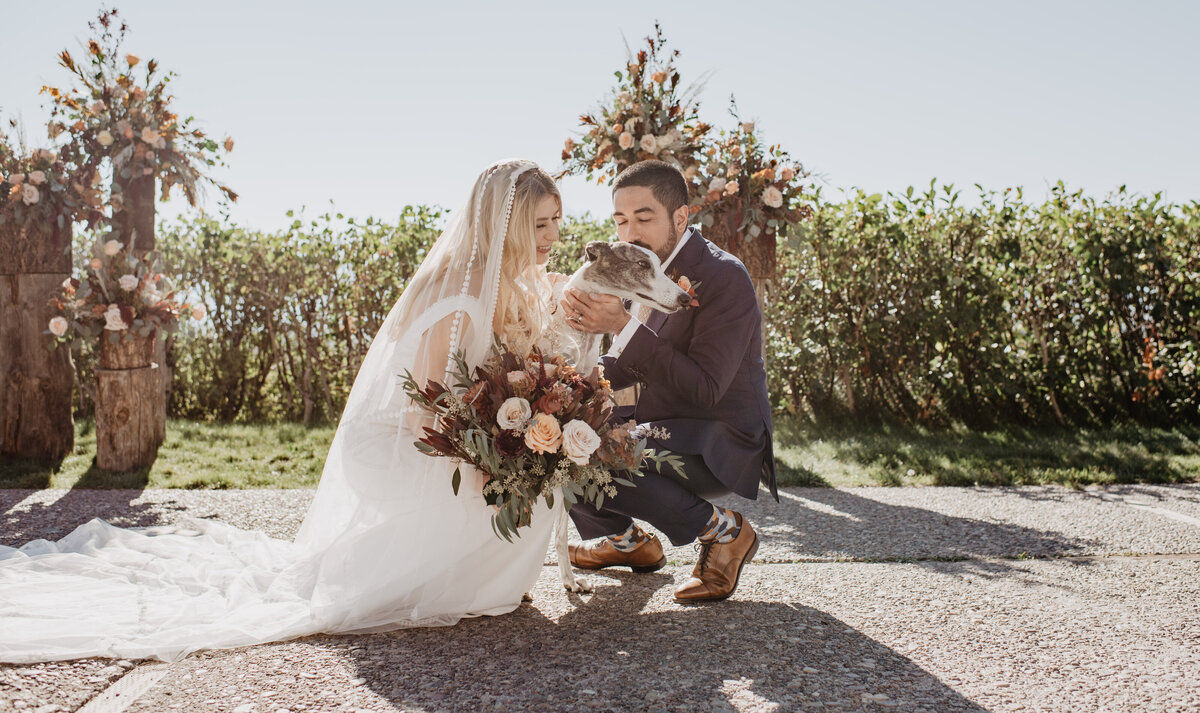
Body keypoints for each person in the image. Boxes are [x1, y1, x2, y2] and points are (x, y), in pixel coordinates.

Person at [0, 159, 565, 663]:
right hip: (414, 439)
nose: (552, 236)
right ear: (505, 225)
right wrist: (485, 455)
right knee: (514, 494)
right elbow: (426, 400)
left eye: (556, 221)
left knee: (539, 476)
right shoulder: (454, 292)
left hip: (450, 435)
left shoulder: (512, 287)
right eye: (539, 224)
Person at [560, 160, 777, 603]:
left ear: (681, 217)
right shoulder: (634, 269)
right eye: (621, 220)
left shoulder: (724, 276)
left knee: (598, 455)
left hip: (717, 439)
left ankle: (726, 533)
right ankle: (628, 544)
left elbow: (705, 388)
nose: (630, 233)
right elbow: (627, 367)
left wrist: (623, 326)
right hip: (659, 425)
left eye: (644, 218)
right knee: (563, 442)